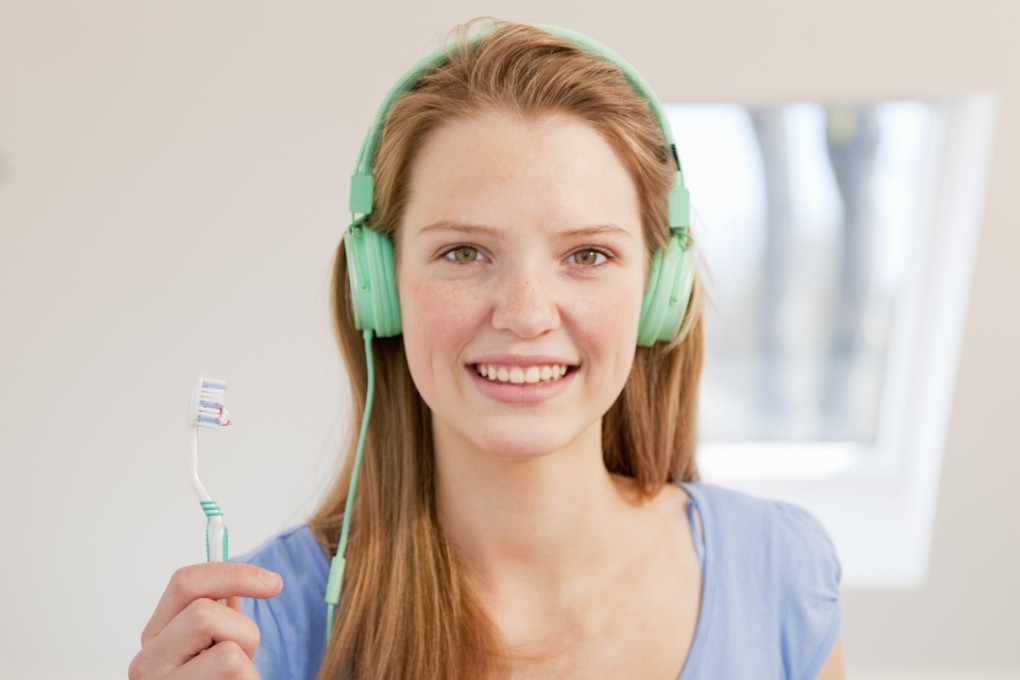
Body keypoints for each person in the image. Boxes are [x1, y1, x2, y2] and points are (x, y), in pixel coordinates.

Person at [129, 20, 845, 680]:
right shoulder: (254, 632)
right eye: (464, 251)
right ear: (379, 288)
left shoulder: (781, 573)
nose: (527, 314)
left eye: (588, 254)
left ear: (660, 293)